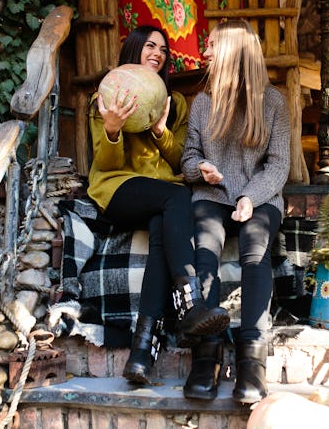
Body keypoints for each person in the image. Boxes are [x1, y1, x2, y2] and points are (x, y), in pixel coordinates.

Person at [87, 25, 230, 385]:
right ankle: (190, 304)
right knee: (177, 197)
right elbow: (106, 163)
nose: (158, 53)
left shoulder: (175, 102)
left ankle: (141, 354)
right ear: (134, 50)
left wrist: (161, 131)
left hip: (162, 195)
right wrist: (114, 129)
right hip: (118, 188)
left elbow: (182, 158)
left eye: (164, 50)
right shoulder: (105, 98)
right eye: (150, 45)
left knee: (161, 227)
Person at [181, 20, 291, 403]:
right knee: (206, 248)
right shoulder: (203, 103)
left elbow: (278, 166)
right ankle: (206, 355)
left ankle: (251, 356)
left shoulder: (273, 102)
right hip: (212, 197)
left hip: (259, 198)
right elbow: (189, 158)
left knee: (255, 249)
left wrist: (250, 196)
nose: (204, 52)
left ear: (231, 52)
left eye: (210, 45)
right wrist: (201, 170)